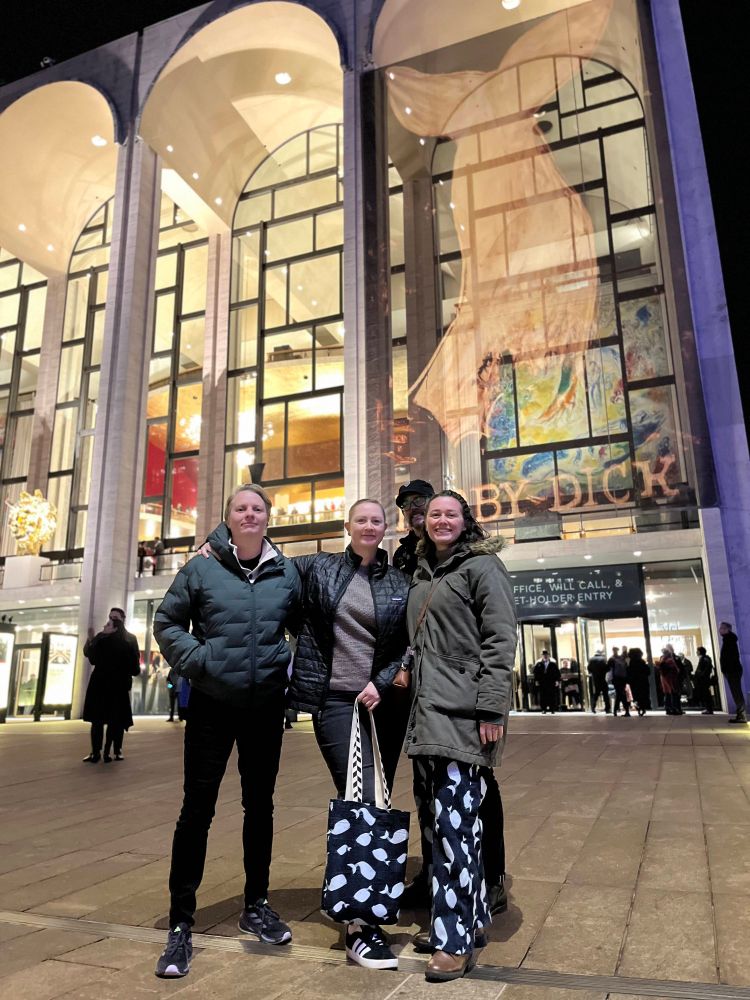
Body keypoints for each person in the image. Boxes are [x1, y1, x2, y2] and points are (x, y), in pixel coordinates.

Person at [152, 484, 301, 979]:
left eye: (258, 508)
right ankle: (180, 924)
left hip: (263, 708)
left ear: (267, 518)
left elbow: (304, 629)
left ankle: (255, 903)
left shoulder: (286, 570)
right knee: (197, 810)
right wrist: (200, 661)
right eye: (241, 507)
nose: (250, 514)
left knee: (260, 807)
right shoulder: (202, 565)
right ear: (229, 517)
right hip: (214, 705)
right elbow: (167, 620)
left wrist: (290, 673)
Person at [287, 499, 410, 971]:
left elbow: (409, 645)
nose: (368, 526)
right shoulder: (318, 568)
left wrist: (381, 682)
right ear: (348, 526)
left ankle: (360, 902)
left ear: (385, 529)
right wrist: (213, 549)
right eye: (361, 519)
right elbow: (267, 557)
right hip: (336, 702)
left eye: (376, 521)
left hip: (382, 703)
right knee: (359, 794)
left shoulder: (399, 581)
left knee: (378, 795)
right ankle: (360, 924)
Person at [404, 490, 517, 982]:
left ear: (465, 520)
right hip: (426, 714)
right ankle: (464, 922)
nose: (442, 520)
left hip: (463, 716)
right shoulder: (425, 570)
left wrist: (492, 706)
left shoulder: (481, 567)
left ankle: (453, 942)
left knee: (455, 832)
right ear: (423, 523)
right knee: (441, 829)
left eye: (451, 513)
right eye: (434, 515)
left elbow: (501, 638)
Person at [82, 608, 141, 763]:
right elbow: (91, 656)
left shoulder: (129, 639)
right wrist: (91, 639)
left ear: (122, 619)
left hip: (117, 685)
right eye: (110, 617)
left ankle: (115, 750)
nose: (111, 620)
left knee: (116, 720)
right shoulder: (102, 637)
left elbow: (134, 666)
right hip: (101, 684)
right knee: (98, 720)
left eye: (115, 618)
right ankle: (96, 751)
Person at [393, 479, 434, 576]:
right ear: (403, 513)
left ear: (433, 503)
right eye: (406, 504)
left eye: (419, 500)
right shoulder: (401, 556)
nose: (413, 507)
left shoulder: (448, 544)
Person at [719, 622, 747, 724]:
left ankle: (742, 716)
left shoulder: (729, 640)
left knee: (737, 693)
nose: (719, 630)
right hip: (732, 670)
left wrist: (726, 669)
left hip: (733, 671)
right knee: (736, 693)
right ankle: (741, 715)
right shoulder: (728, 640)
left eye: (722, 628)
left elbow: (730, 657)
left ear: (728, 629)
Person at [626, 647, 650, 717]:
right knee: (642, 695)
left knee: (636, 695)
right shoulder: (642, 662)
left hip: (634, 682)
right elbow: (648, 671)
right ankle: (642, 707)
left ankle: (639, 707)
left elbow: (629, 672)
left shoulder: (631, 663)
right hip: (643, 682)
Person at [657, 647, 682, 715]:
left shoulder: (662, 660)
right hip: (671, 679)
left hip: (664, 679)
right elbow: (676, 670)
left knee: (667, 694)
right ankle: (675, 709)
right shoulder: (670, 660)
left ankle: (668, 709)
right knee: (674, 694)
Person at [608, 647, 630, 717]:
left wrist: (610, 679)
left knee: (620, 695)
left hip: (616, 679)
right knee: (621, 694)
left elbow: (609, 670)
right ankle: (624, 711)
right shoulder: (621, 658)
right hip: (623, 678)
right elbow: (626, 667)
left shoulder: (611, 659)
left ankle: (616, 710)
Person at [693, 647, 715, 715]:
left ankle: (709, 709)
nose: (696, 652)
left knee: (706, 694)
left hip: (704, 680)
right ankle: (708, 708)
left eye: (697, 651)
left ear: (700, 651)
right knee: (705, 694)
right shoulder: (704, 658)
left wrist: (701, 675)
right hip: (703, 679)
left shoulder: (705, 658)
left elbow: (707, 668)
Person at [587, 649, 610, 713]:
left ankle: (593, 707)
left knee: (596, 694)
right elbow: (606, 668)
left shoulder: (591, 659)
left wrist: (594, 673)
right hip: (602, 678)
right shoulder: (603, 659)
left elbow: (589, 668)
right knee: (605, 694)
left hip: (596, 679)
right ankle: (607, 708)